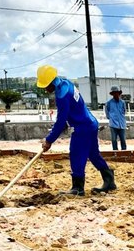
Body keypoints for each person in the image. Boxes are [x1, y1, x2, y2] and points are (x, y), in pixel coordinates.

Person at [36, 65, 116, 196]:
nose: (45, 89)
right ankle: (109, 181)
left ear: (51, 82)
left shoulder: (62, 96)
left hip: (82, 127)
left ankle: (78, 188)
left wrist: (49, 140)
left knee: (76, 154)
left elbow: (60, 121)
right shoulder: (66, 83)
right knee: (93, 154)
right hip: (91, 123)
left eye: (45, 86)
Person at [105, 85, 127, 150]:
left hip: (122, 124)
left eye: (117, 93)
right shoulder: (109, 103)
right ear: (112, 94)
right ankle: (115, 153)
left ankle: (124, 153)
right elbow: (107, 112)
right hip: (113, 124)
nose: (116, 95)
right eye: (114, 93)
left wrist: (121, 118)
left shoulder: (122, 102)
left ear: (119, 93)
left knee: (123, 140)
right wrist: (111, 118)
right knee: (114, 140)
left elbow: (124, 111)